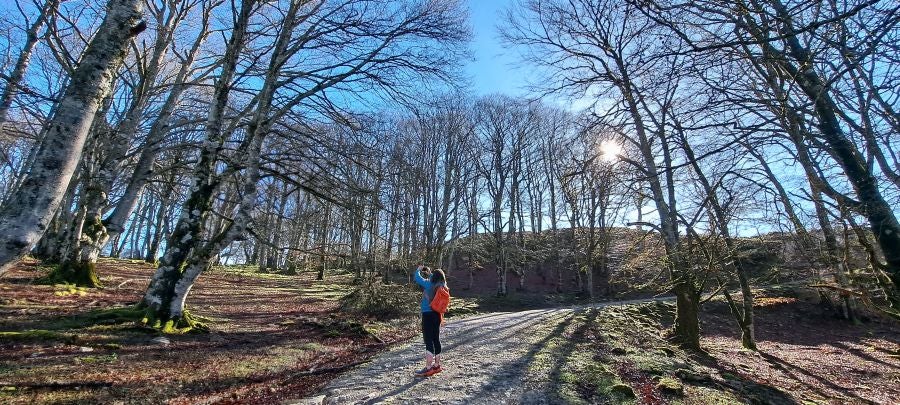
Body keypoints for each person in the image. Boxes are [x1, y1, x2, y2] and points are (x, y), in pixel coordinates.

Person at [413, 263, 447, 377]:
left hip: (428, 314)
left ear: (434, 277)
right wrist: (429, 272)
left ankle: (428, 368)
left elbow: (417, 278)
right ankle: (437, 365)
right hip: (437, 315)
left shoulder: (429, 284)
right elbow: (436, 276)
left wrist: (418, 270)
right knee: (436, 339)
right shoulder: (443, 285)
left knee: (428, 340)